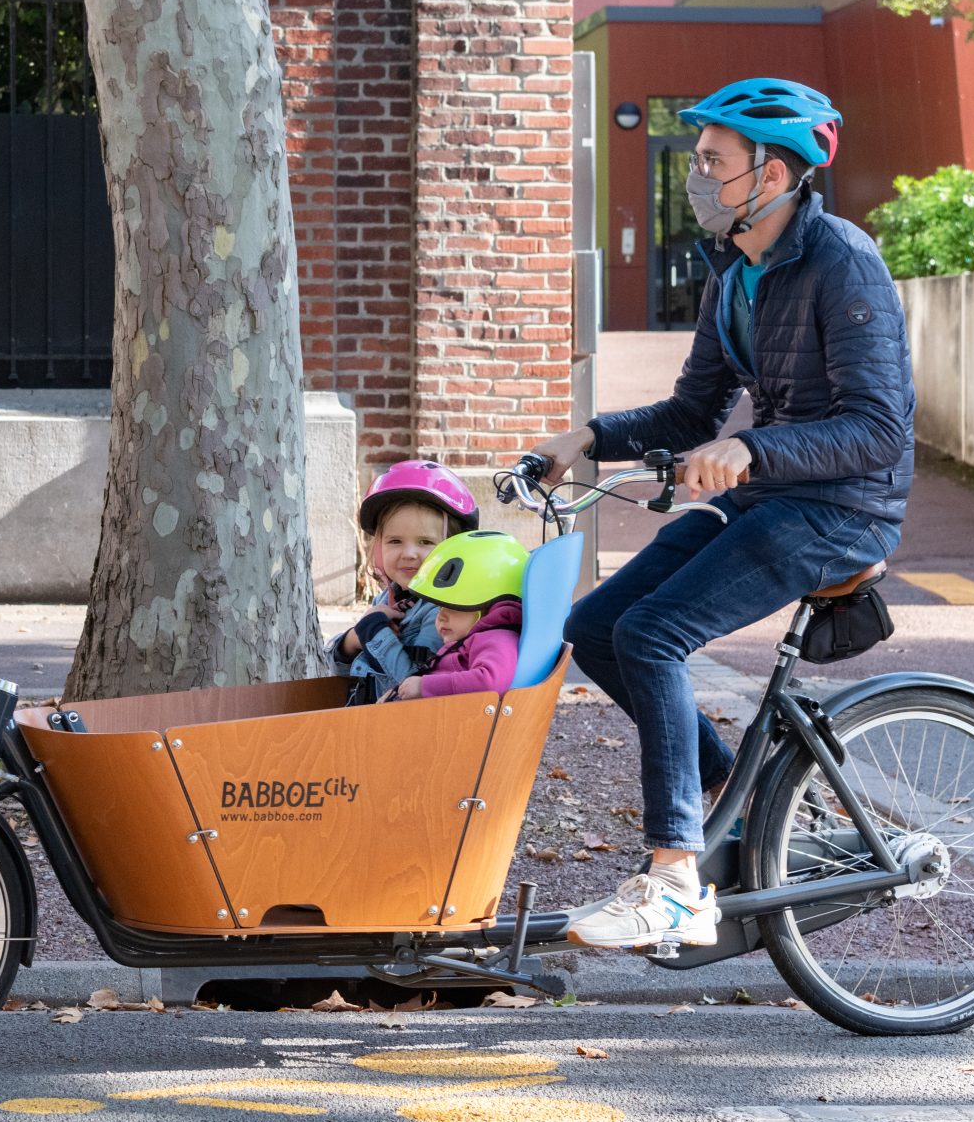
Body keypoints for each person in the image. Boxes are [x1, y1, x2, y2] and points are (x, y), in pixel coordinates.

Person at [523, 77, 912, 952]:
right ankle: (756, 806)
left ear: (771, 176)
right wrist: (582, 437)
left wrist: (754, 450)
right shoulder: (734, 275)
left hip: (842, 509)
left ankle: (673, 883)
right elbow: (693, 414)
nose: (697, 176)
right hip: (773, 495)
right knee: (598, 625)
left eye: (713, 161)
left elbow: (879, 427)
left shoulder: (841, 261)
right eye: (697, 159)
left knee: (656, 633)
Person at [329, 460, 478, 706]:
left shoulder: (442, 612)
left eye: (425, 542)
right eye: (395, 541)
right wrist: (352, 639)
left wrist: (374, 632)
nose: (408, 553)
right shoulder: (387, 600)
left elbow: (412, 691)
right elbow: (340, 673)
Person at [382, 531, 528, 701]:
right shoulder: (472, 637)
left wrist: (424, 686)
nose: (441, 616)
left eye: (453, 607)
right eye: (440, 608)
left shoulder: (496, 639)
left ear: (488, 605)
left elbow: (490, 682)